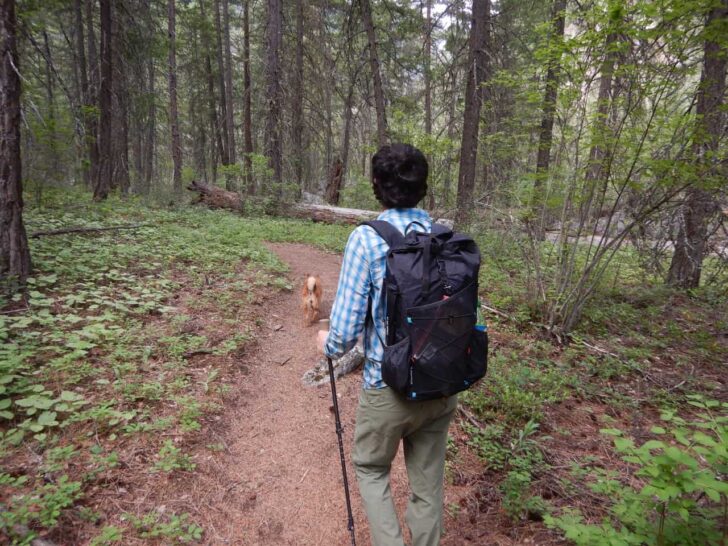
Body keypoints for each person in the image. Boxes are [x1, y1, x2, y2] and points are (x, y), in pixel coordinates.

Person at [318, 143, 458, 546]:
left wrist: (327, 343)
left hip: (387, 386)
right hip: (441, 383)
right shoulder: (445, 236)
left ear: (376, 185)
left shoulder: (367, 239)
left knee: (371, 468)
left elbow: (343, 333)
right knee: (427, 484)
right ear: (423, 188)